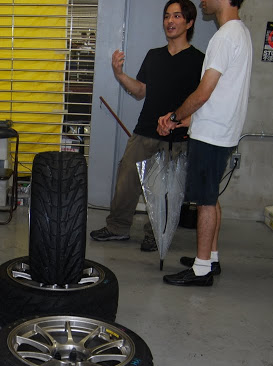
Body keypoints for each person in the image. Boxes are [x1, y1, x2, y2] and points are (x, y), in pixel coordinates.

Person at [90, 0, 204, 252]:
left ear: (190, 22)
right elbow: (141, 91)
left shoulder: (199, 61)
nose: (170, 21)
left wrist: (179, 122)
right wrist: (119, 74)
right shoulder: (154, 55)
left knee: (165, 190)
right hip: (144, 131)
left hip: (176, 136)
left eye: (176, 16)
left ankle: (156, 233)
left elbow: (201, 101)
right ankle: (117, 227)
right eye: (166, 16)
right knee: (126, 178)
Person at [157, 0, 251, 287]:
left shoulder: (225, 36)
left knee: (205, 202)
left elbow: (204, 91)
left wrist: (175, 115)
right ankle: (210, 258)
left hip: (212, 135)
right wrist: (188, 120)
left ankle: (201, 270)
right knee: (211, 196)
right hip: (218, 129)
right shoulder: (240, 32)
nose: (202, 1)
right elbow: (222, 94)